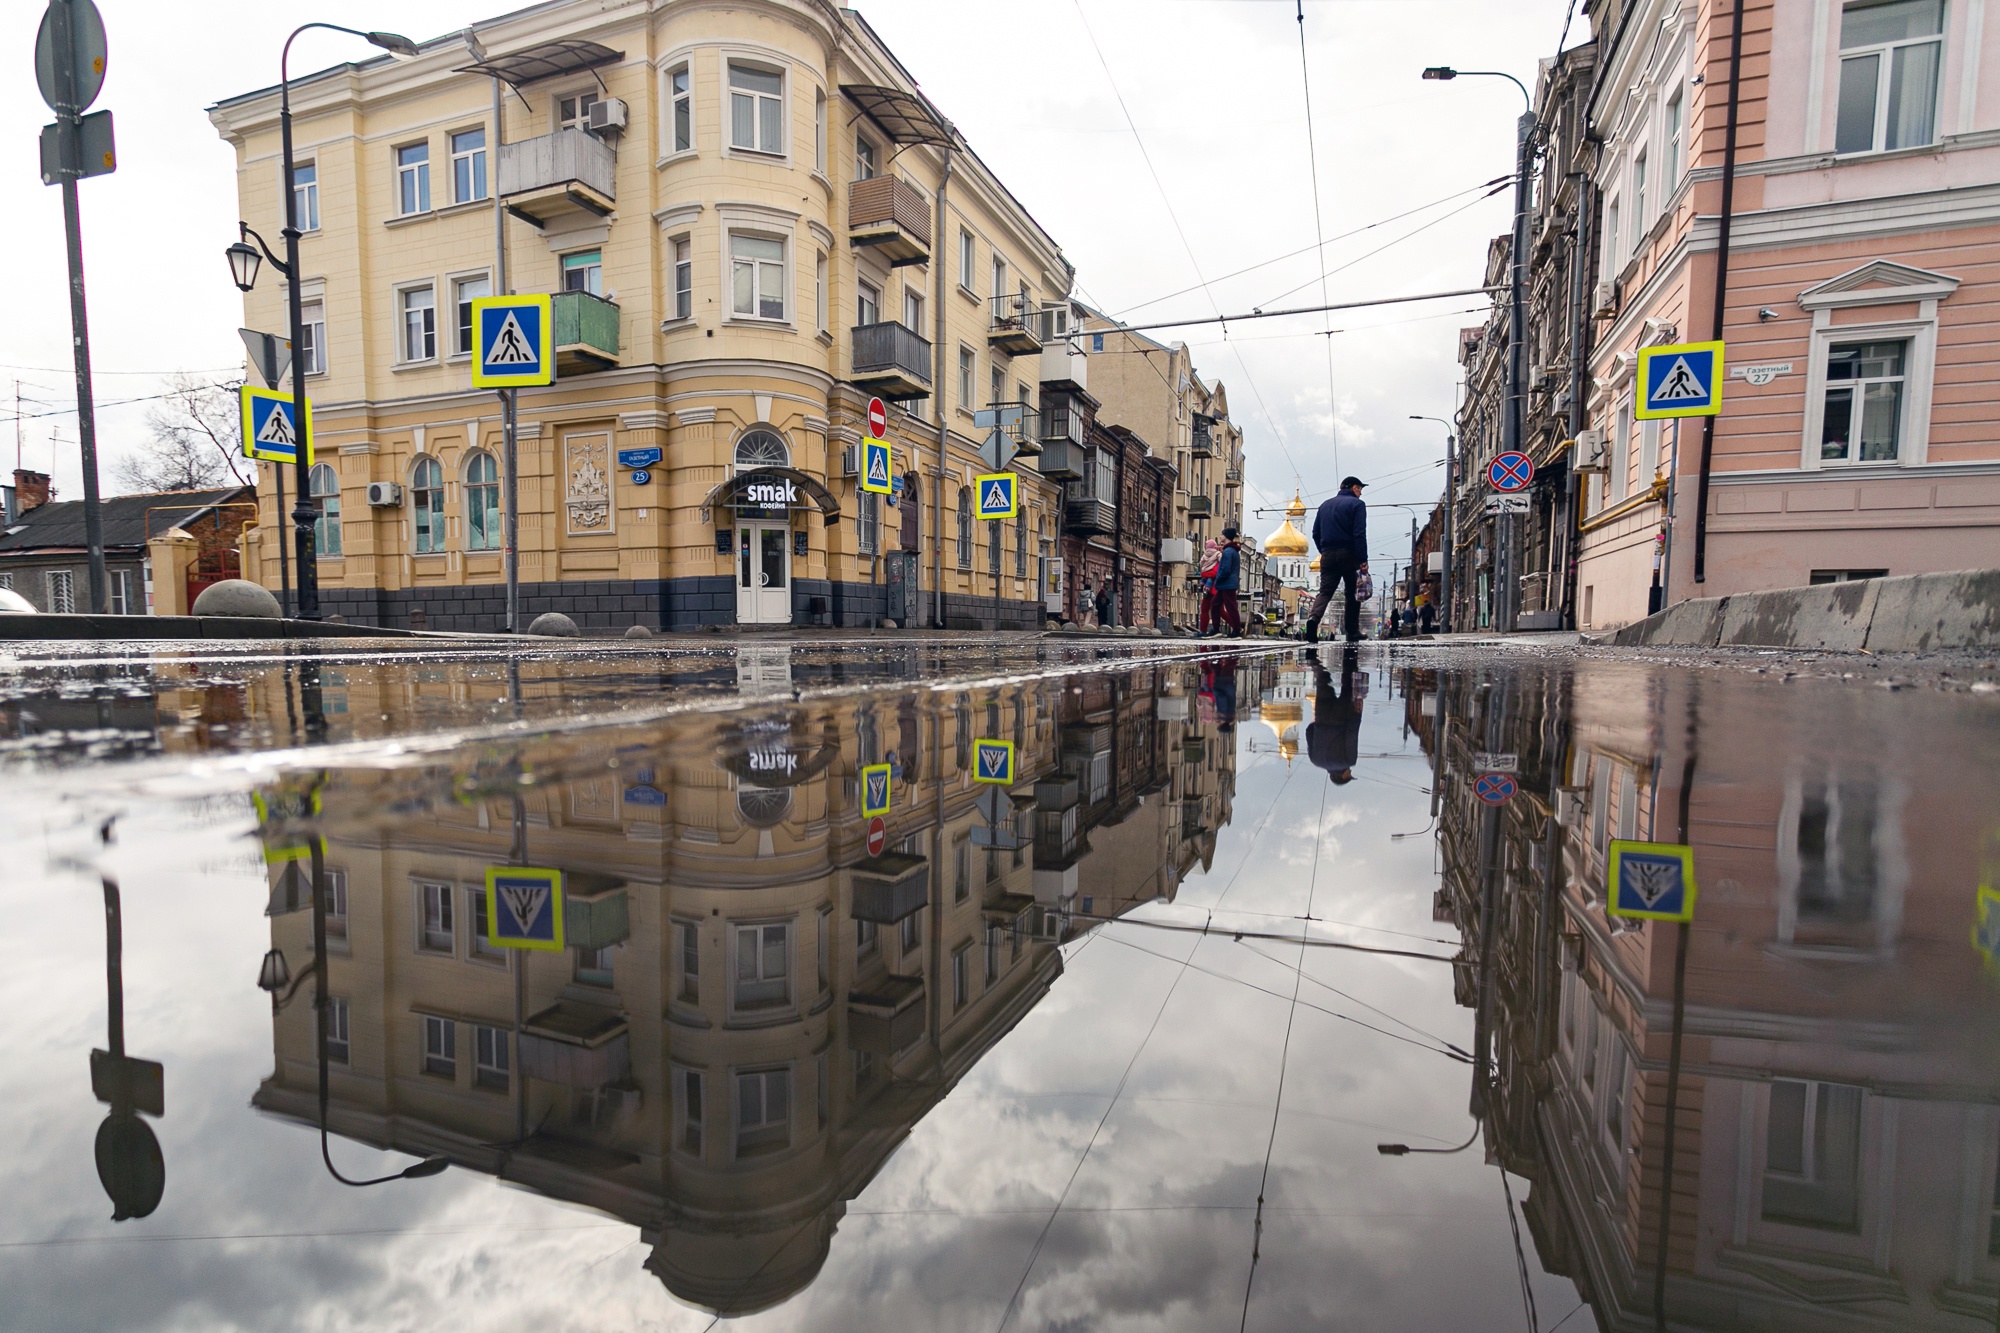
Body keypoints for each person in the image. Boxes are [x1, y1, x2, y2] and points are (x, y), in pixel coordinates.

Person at [1304, 477, 1368, 645]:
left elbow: (1315, 533)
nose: (1361, 493)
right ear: (1354, 487)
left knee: (1325, 591)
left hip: (1328, 555)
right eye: (1360, 489)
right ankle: (1352, 632)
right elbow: (1359, 533)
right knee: (1352, 593)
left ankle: (1313, 618)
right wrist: (1363, 559)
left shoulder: (1324, 505)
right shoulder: (1357, 505)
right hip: (1349, 554)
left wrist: (1323, 550)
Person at [1306, 647, 1363, 785]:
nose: (1350, 771)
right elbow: (1309, 732)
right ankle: (1311, 656)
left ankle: (1350, 649)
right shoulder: (1315, 761)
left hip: (1343, 716)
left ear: (1342, 776)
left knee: (1348, 681)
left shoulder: (1349, 761)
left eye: (1349, 774)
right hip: (1322, 715)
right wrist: (1319, 724)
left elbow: (1351, 734)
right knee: (1322, 680)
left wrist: (1357, 713)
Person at [1211, 528, 1244, 637]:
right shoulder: (1231, 550)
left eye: (1222, 534)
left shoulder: (1228, 551)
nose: (1220, 536)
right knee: (1215, 605)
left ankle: (1236, 632)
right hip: (1226, 584)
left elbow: (1225, 569)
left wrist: (1218, 578)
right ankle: (1216, 630)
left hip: (1227, 584)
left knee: (1231, 608)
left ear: (1226, 536)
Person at [1195, 539, 1221, 635]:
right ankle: (1217, 629)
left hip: (1205, 573)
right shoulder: (1218, 554)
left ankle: (1203, 630)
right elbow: (1222, 562)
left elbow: (1201, 563)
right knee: (1218, 609)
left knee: (1205, 609)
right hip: (1215, 584)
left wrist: (1204, 568)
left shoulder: (1205, 554)